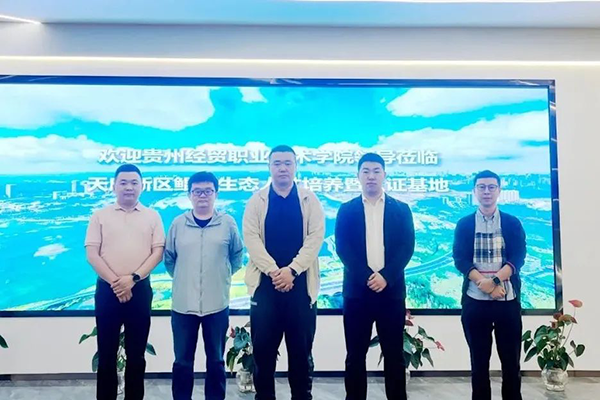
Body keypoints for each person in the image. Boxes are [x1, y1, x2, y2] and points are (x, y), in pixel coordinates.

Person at [243, 145, 325, 400]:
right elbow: (252, 240)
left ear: (295, 166)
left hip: (301, 289)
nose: (282, 168)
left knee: (301, 355)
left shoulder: (309, 200)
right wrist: (274, 272)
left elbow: (315, 238)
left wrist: (292, 270)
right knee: (263, 355)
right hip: (265, 289)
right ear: (269, 167)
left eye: (288, 163)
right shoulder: (256, 201)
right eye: (277, 163)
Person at [335, 152, 415, 400]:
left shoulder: (401, 209)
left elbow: (407, 247)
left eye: (376, 171)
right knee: (355, 355)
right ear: (358, 176)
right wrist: (368, 277)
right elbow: (343, 248)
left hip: (391, 293)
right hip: (357, 294)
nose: (371, 176)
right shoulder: (346, 210)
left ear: (384, 175)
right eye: (366, 171)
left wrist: (386, 277)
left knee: (394, 355)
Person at [85, 164, 165, 400]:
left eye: (134, 182)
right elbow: (92, 253)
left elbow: (157, 252)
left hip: (139, 290)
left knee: (137, 355)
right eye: (123, 182)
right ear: (114, 186)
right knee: (106, 354)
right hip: (107, 291)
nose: (129, 187)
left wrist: (133, 279)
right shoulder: (100, 216)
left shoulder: (152, 216)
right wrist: (116, 283)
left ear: (142, 186)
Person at [165, 171, 244, 400]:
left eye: (208, 191)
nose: (202, 196)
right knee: (182, 362)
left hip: (217, 304)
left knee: (216, 361)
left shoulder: (227, 223)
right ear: (189, 194)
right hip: (183, 305)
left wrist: (220, 276)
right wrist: (185, 278)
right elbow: (169, 259)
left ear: (215, 194)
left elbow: (237, 256)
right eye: (197, 191)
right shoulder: (178, 224)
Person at [453, 170, 526, 400]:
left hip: (507, 301)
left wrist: (494, 281)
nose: (486, 191)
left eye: (491, 187)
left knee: (511, 364)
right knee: (479, 364)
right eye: (482, 187)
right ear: (474, 191)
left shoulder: (512, 223)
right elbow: (460, 259)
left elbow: (518, 257)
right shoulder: (464, 224)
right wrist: (482, 282)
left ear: (499, 191)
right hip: (475, 302)